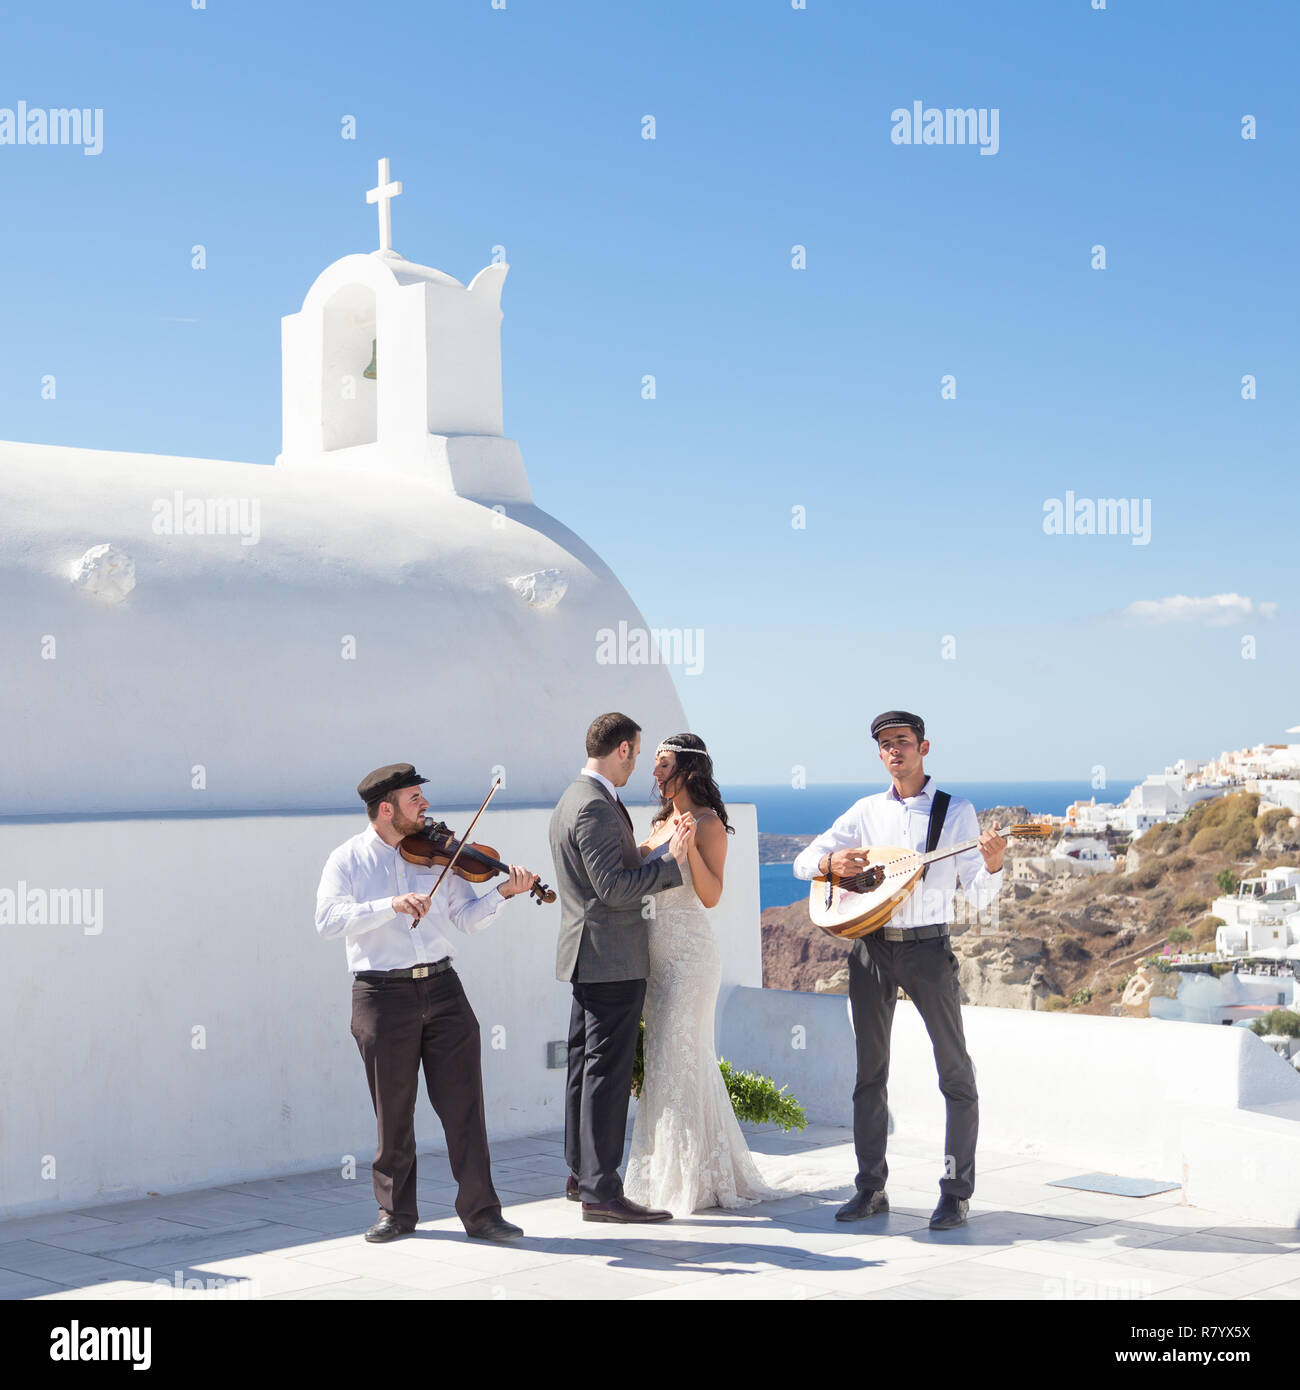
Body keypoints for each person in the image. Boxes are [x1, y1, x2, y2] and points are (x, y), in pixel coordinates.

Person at [792, 712, 1006, 1230]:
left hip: (927, 949)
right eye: (885, 744)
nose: (894, 750)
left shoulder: (955, 812)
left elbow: (978, 892)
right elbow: (804, 861)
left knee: (954, 1071)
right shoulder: (865, 811)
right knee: (870, 1073)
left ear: (924, 747)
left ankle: (955, 1193)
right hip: (870, 947)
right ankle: (870, 1189)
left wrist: (995, 863)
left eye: (903, 742)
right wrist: (830, 865)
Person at [315, 762, 540, 1244]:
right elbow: (328, 920)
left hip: (443, 989)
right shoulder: (348, 860)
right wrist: (388, 906)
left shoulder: (439, 855)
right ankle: (396, 1212)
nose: (426, 806)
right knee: (392, 1109)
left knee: (465, 1106)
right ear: (385, 808)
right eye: (416, 799)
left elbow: (466, 919)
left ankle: (482, 1212)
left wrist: (502, 891)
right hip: (381, 994)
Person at [623, 733, 778, 1215]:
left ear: (688, 769)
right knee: (666, 1065)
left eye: (663, 764)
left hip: (690, 961)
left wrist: (685, 851)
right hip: (653, 958)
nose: (654, 773)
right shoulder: (657, 822)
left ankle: (690, 1181)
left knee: (677, 1058)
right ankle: (664, 1173)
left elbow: (710, 896)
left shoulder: (707, 824)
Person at [549, 713, 694, 1223]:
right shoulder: (592, 806)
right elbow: (611, 889)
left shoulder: (577, 797)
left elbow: (605, 873)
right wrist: (670, 864)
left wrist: (648, 851)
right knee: (605, 1075)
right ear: (626, 750)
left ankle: (581, 1175)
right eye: (639, 751)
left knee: (584, 1068)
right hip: (609, 956)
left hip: (590, 954)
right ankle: (602, 1192)